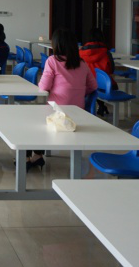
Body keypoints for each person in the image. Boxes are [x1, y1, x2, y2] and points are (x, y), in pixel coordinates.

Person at [34, 28, 97, 170]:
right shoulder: (82, 63)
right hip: (79, 111)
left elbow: (43, 87)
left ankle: (36, 155)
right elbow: (93, 86)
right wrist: (80, 92)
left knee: (33, 121)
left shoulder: (52, 61)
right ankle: (37, 155)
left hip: (56, 111)